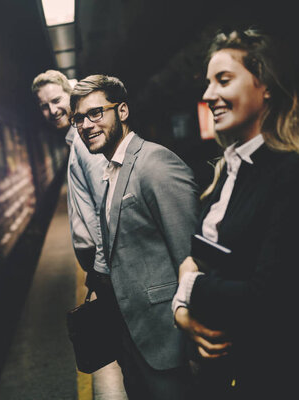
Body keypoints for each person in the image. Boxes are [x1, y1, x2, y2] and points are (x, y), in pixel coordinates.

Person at [171, 27, 299, 399]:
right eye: (207, 82)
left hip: (280, 377)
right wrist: (182, 312)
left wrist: (188, 285)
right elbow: (207, 258)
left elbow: (269, 299)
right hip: (228, 377)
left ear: (265, 84)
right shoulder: (228, 170)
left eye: (223, 80)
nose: (208, 94)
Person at [70, 74, 200, 399]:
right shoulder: (112, 170)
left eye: (96, 113)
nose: (86, 125)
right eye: (79, 119)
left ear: (123, 111)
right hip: (134, 344)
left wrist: (196, 346)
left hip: (170, 346)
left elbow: (192, 257)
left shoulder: (154, 164)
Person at [31, 70, 110, 289]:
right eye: (44, 106)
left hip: (102, 263)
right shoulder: (75, 138)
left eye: (57, 100)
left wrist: (102, 267)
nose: (52, 111)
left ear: (71, 96)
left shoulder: (85, 140)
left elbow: (105, 205)